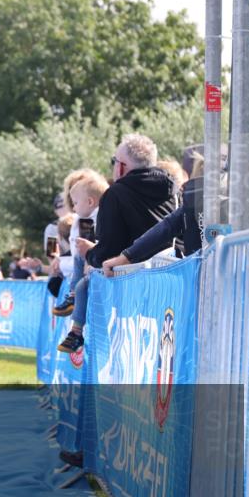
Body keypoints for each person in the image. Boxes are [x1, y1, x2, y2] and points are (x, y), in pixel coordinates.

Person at [57, 134, 176, 353]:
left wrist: (89, 253)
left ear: (121, 167)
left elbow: (107, 251)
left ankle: (75, 331)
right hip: (168, 281)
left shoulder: (116, 194)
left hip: (128, 287)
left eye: (114, 162)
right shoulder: (171, 191)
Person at [51, 171, 108, 317]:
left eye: (76, 201)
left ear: (90, 200)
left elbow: (91, 250)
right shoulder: (83, 218)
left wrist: (61, 263)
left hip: (95, 274)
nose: (74, 206)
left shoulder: (91, 219)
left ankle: (72, 299)